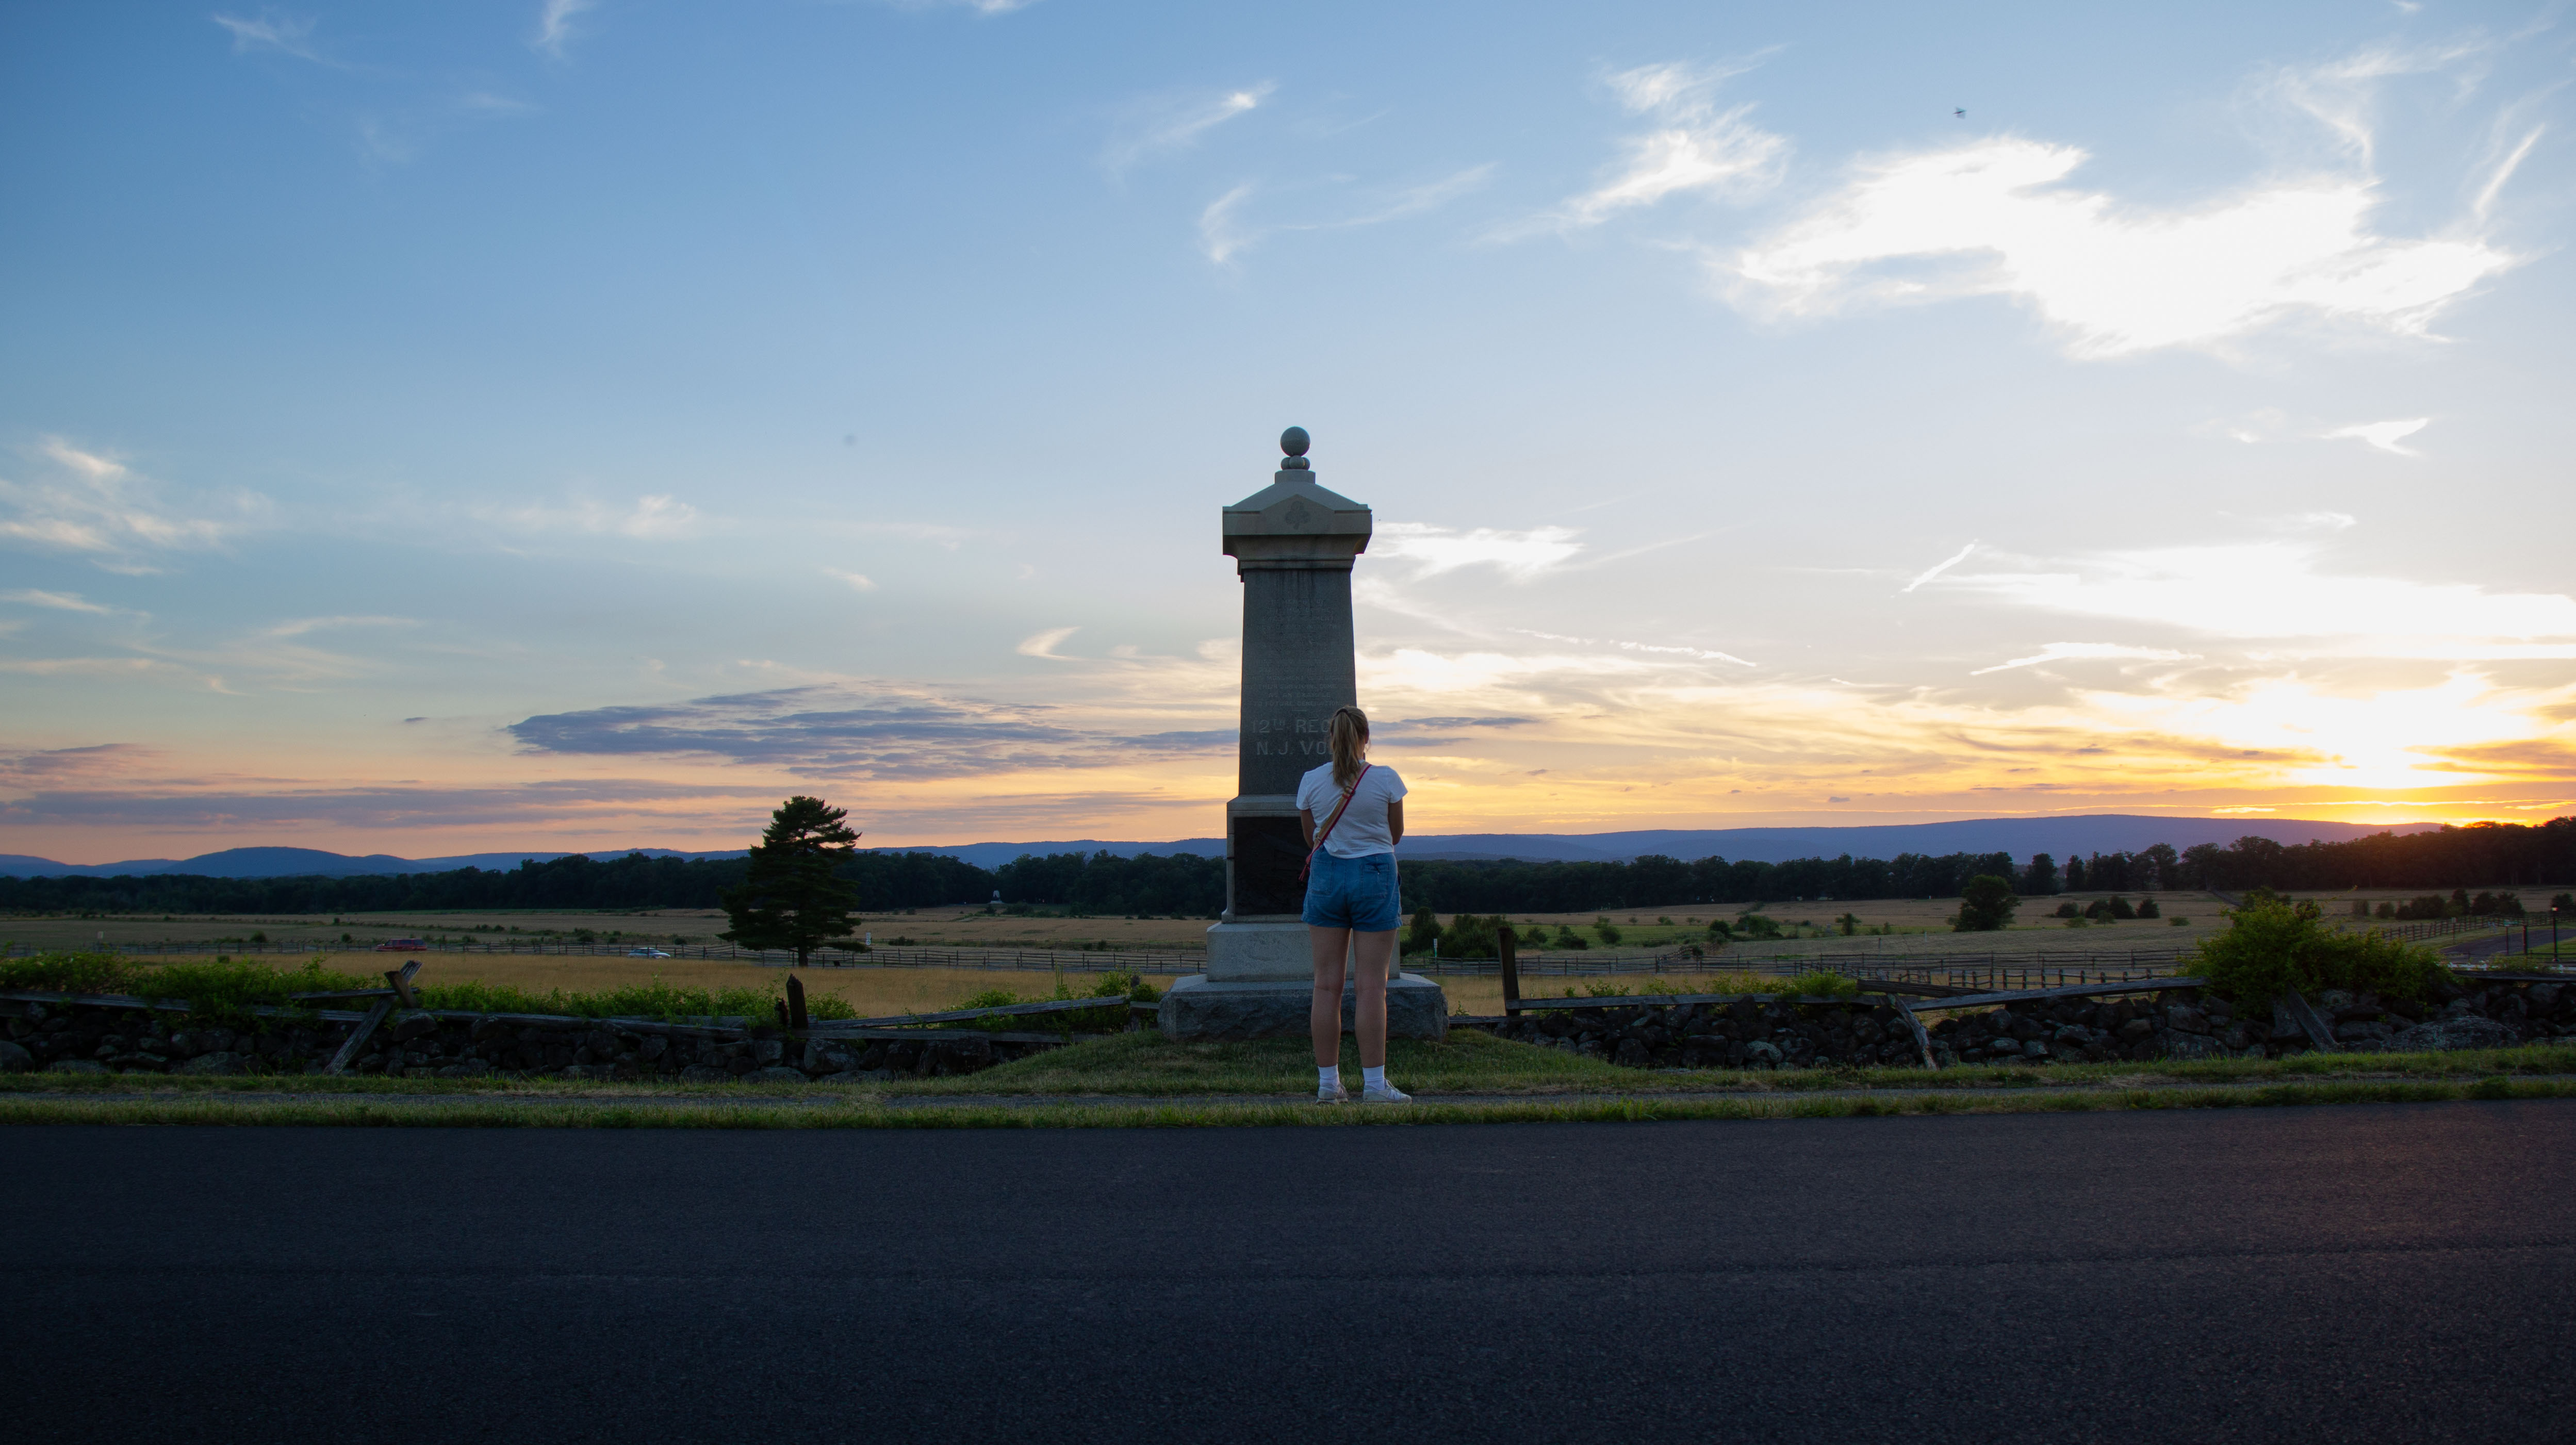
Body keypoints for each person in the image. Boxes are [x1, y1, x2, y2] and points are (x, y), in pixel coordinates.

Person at [1299, 704, 1408, 1103]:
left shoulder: (1310, 781)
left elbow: (1312, 837)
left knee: (1326, 985)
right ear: (1366, 738)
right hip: (1374, 875)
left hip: (1327, 875)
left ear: (1330, 738)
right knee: (1370, 987)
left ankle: (1328, 1085)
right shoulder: (1385, 779)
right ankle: (1376, 1087)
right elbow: (1394, 835)